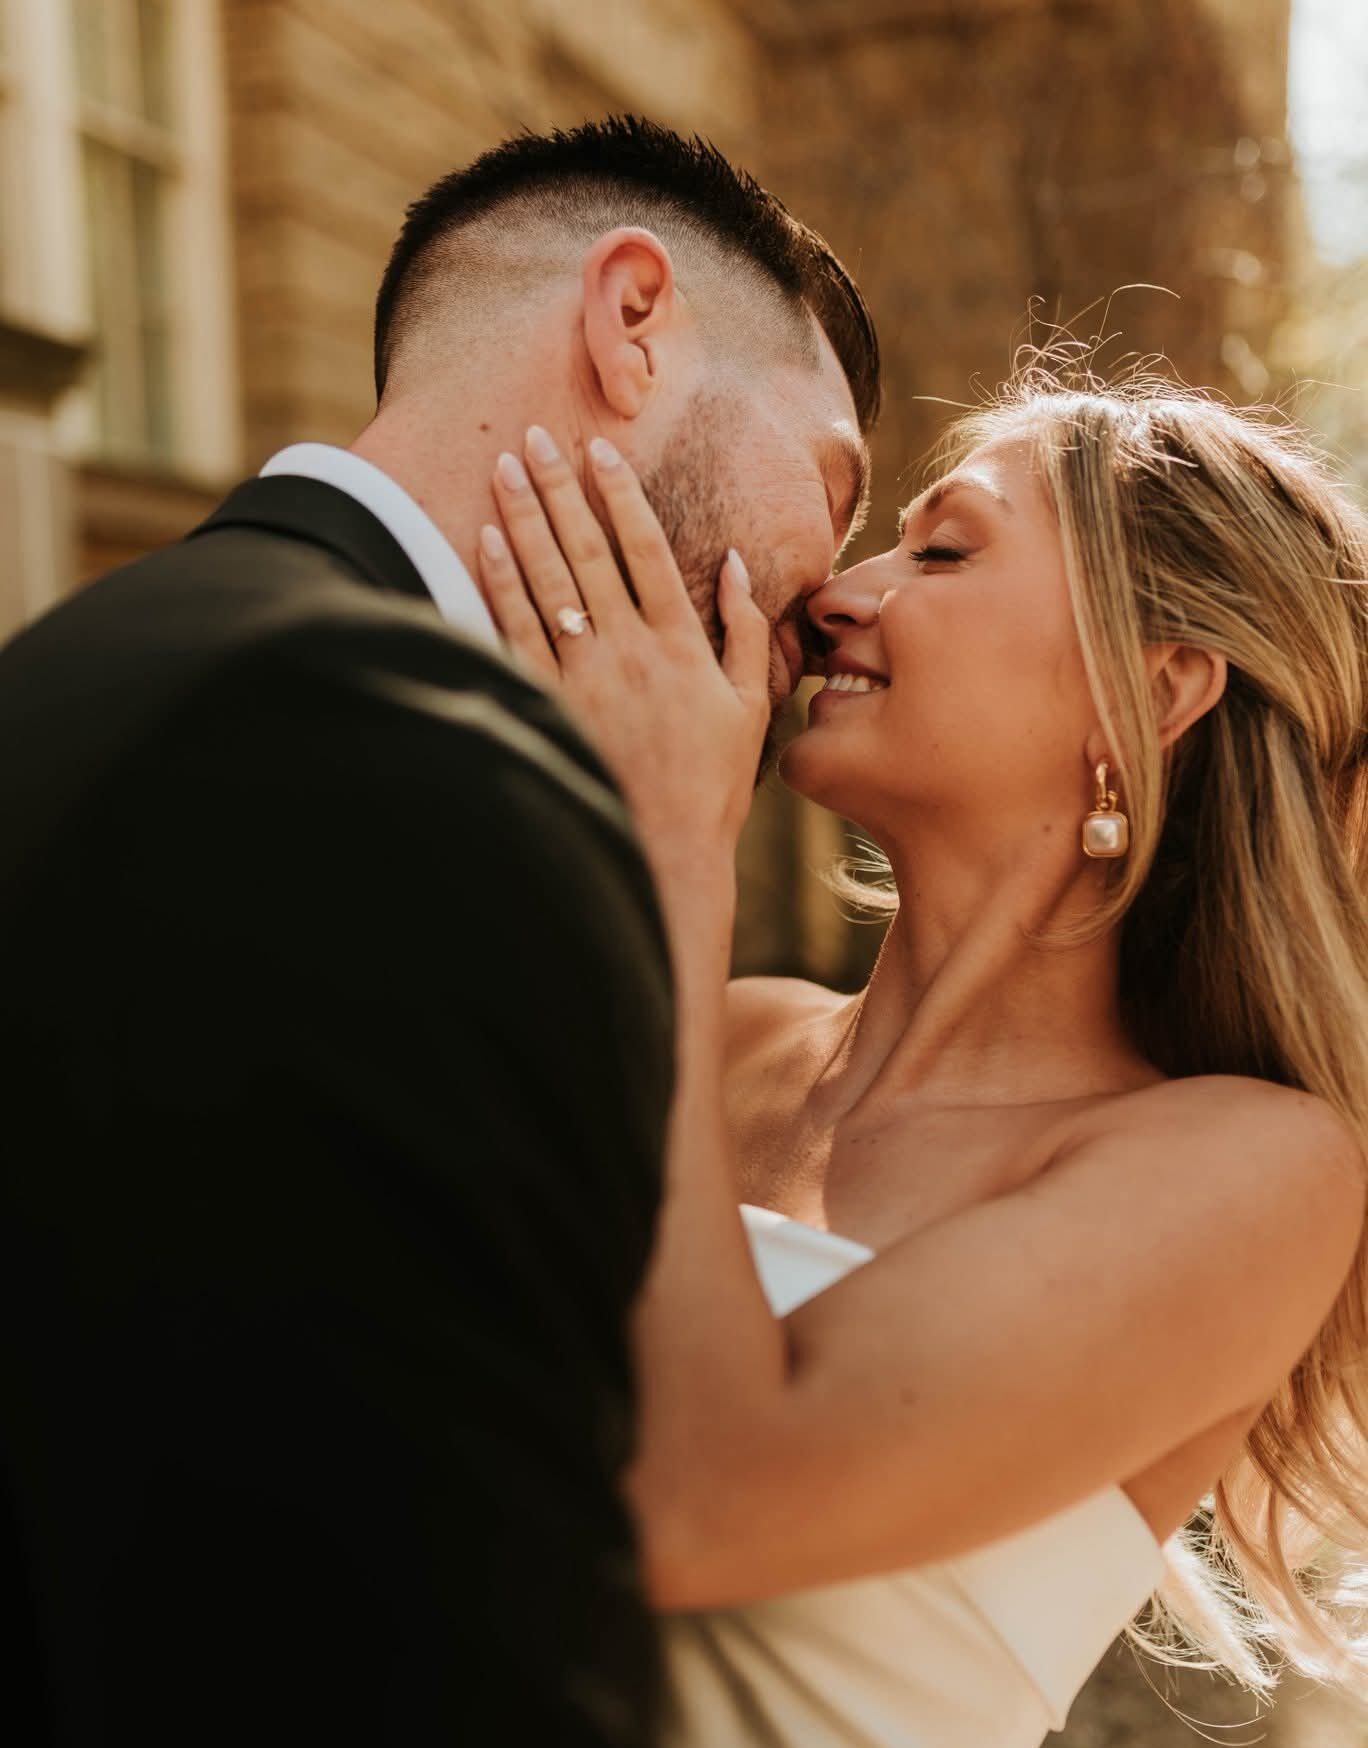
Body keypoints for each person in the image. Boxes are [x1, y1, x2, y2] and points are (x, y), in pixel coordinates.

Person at [0, 118, 878, 1746]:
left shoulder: (90, 659)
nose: (827, 605)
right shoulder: (418, 767)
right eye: (834, 481)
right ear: (633, 326)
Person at [475, 369, 1368, 1746]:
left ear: (1158, 686)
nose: (839, 591)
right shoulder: (719, 1031)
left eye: (942, 550)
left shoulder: (1258, 1169)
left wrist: (660, 849)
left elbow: (702, 1501)